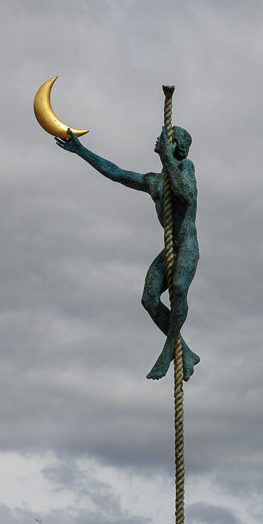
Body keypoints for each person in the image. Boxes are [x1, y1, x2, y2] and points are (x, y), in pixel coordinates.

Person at [56, 125, 200, 382]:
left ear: (177, 146)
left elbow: (185, 195)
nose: (158, 140)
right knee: (149, 299)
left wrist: (166, 157)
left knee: (178, 288)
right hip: (170, 249)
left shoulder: (186, 168)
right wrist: (81, 151)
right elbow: (117, 173)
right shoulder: (153, 182)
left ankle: (169, 351)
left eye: (167, 139)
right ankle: (185, 351)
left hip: (187, 247)